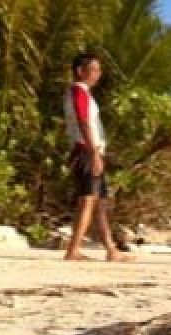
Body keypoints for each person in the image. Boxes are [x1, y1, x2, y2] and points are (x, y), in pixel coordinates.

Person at [62, 52, 131, 262]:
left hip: (91, 150)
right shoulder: (78, 92)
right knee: (88, 201)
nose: (98, 74)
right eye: (93, 70)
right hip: (86, 150)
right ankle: (73, 249)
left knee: (100, 203)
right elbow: (83, 122)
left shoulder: (84, 94)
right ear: (80, 71)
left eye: (99, 70)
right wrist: (93, 153)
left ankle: (111, 249)